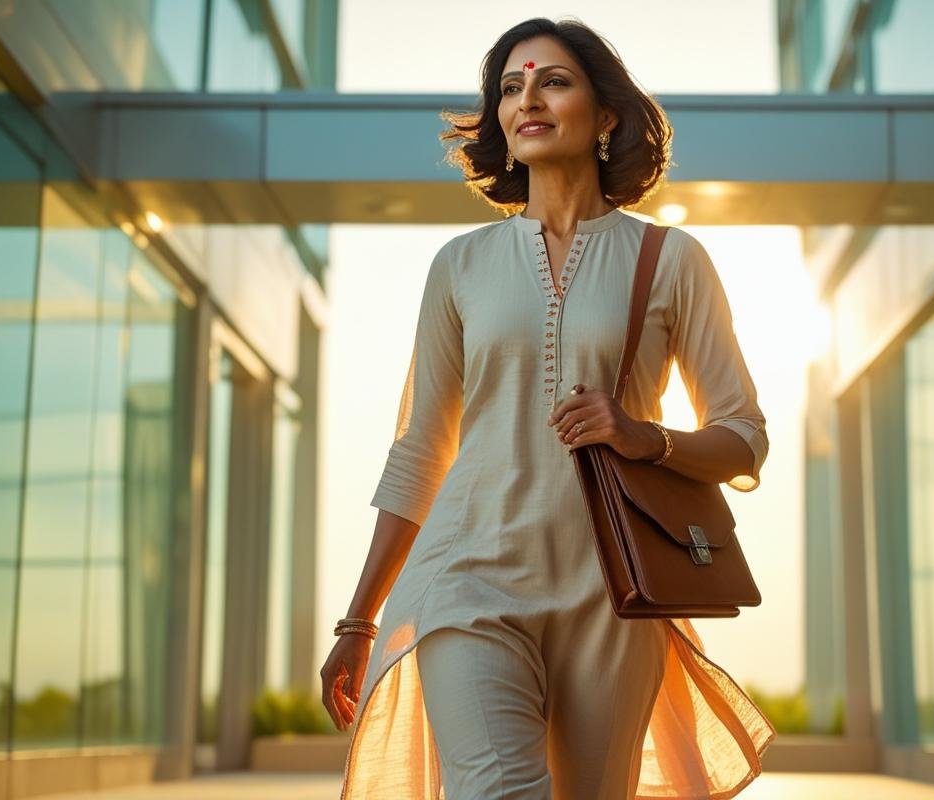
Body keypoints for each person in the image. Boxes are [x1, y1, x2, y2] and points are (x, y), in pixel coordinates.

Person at [322, 16, 774, 799]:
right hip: (466, 578)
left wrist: (645, 437)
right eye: (510, 87)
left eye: (553, 81)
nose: (527, 99)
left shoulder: (672, 260)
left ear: (605, 116)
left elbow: (744, 436)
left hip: (616, 592)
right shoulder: (461, 264)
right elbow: (421, 448)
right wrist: (359, 619)